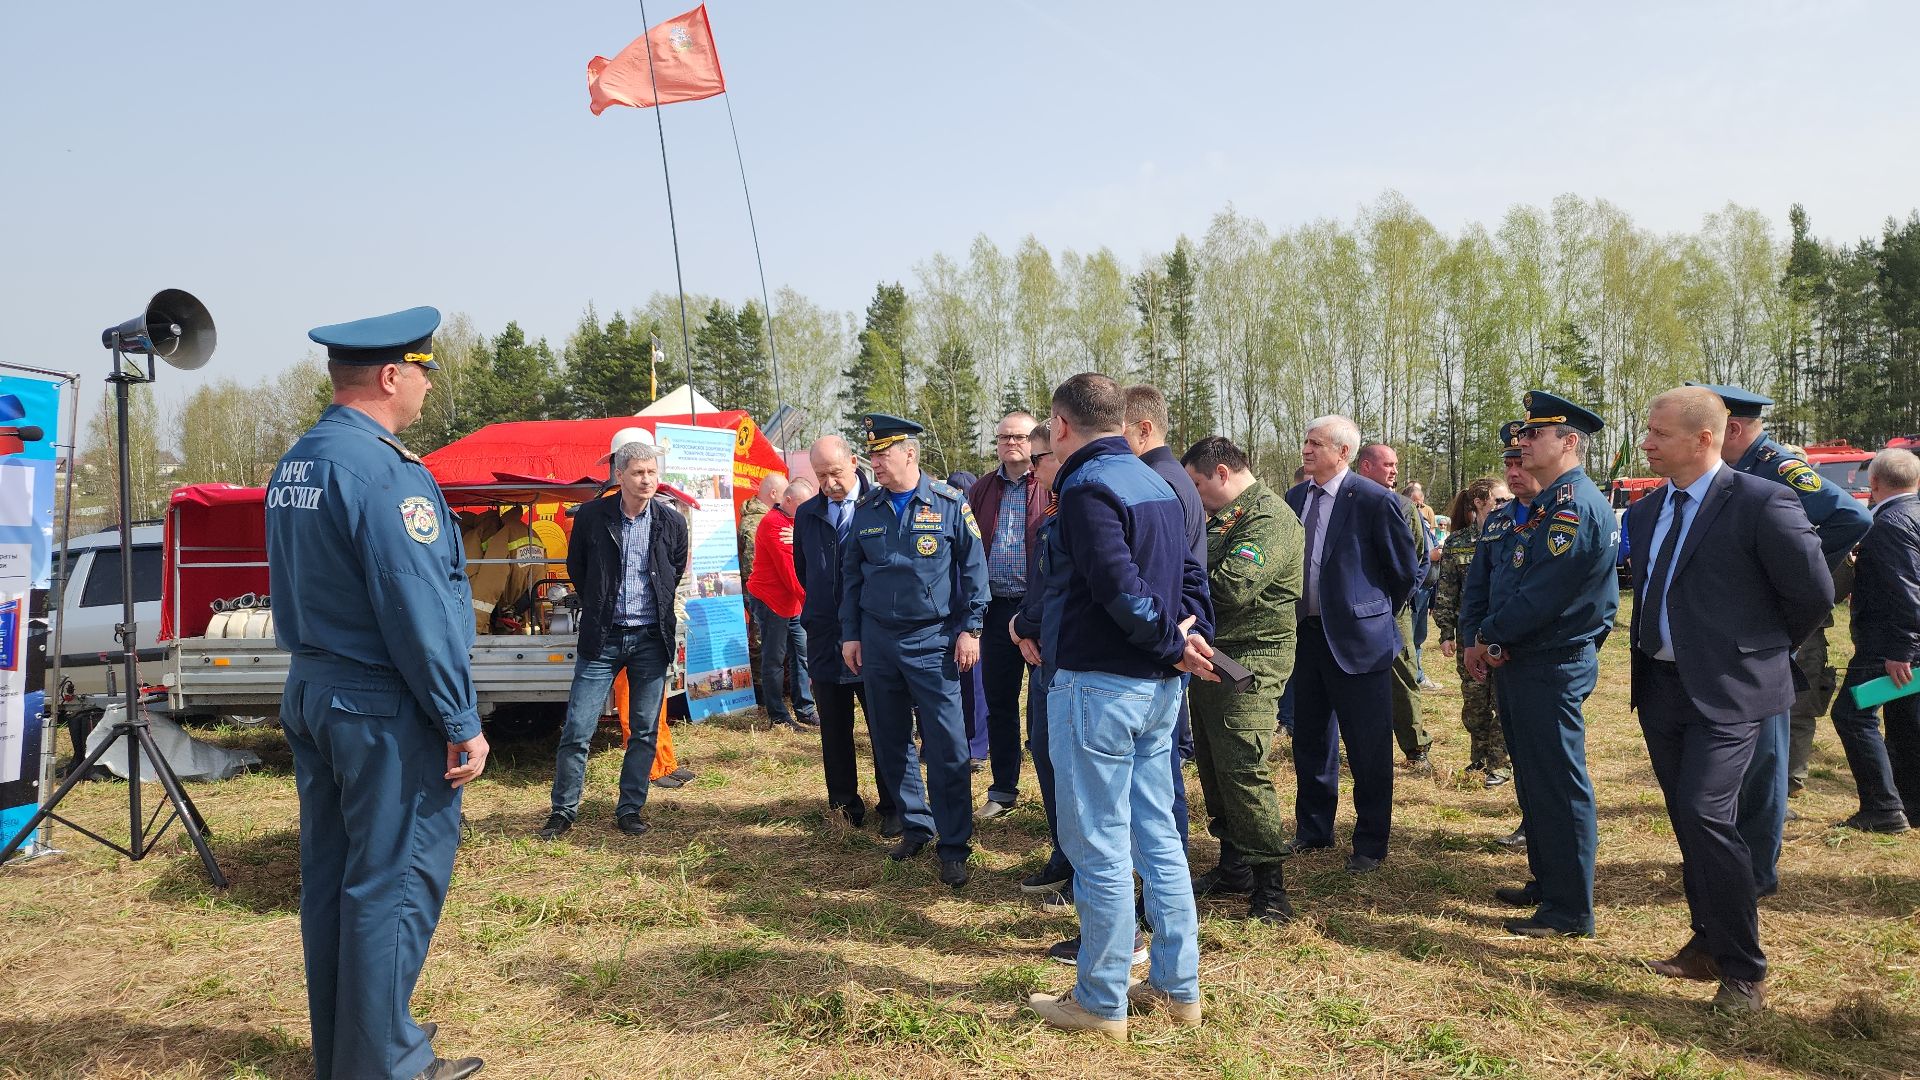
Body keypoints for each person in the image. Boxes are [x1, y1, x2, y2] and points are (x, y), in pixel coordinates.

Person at [267, 305, 487, 1080]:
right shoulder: (385, 472)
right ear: (391, 376)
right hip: (380, 704)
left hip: (317, 689)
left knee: (334, 880)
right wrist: (461, 718)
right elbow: (415, 609)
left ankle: (347, 1051)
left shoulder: (300, 459)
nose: (427, 387)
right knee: (393, 884)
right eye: (423, 371)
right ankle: (383, 1063)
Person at [1024, 373, 1216, 1041]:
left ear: (1061, 425)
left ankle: (1101, 999)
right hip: (1158, 687)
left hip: (1101, 687)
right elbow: (1193, 575)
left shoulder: (1085, 487)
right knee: (1156, 836)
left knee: (1098, 844)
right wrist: (1192, 640)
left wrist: (1172, 640)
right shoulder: (1159, 481)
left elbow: (1114, 584)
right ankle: (1175, 983)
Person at [1628, 387, 1831, 1013]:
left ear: (1704, 438)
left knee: (1708, 813)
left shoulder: (1763, 501)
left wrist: (1755, 653)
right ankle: (1707, 942)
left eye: (1659, 433)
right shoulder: (1646, 510)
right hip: (1662, 687)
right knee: (1690, 820)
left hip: (1732, 693)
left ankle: (1744, 969)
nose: (1646, 443)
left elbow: (1813, 594)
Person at [1464, 391, 1618, 938]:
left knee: (1557, 783)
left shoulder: (1573, 506)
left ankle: (1570, 909)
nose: (1523, 442)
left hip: (1552, 662)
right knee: (1534, 781)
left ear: (1568, 442)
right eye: (1523, 434)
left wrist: (1487, 636)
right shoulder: (1549, 503)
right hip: (1525, 661)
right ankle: (1549, 881)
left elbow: (1543, 594)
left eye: (1535, 434)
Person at [1692, 384, 1872, 805]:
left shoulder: (1778, 467)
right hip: (1740, 617)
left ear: (1731, 428)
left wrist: (1793, 570)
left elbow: (1851, 517)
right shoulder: (1734, 469)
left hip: (1778, 617)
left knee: (1779, 710)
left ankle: (1775, 797)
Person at [840, 414, 989, 888]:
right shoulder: (867, 509)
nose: (875, 463)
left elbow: (974, 571)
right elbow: (852, 578)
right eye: (872, 455)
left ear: (910, 454)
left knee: (947, 745)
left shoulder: (948, 504)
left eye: (882, 454)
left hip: (934, 640)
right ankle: (915, 824)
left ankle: (954, 843)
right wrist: (851, 633)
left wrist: (972, 628)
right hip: (879, 640)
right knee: (890, 738)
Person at [1285, 417, 1419, 874]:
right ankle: (1314, 828)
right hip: (1306, 636)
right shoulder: (1295, 497)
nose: (1306, 449)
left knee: (1368, 745)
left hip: (1360, 642)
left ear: (1342, 453)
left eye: (1316, 443)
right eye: (1305, 441)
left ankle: (1370, 841)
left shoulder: (1374, 499)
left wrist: (1369, 610)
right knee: (1311, 737)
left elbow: (1404, 571)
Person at [539, 438, 690, 841]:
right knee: (578, 728)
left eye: (652, 473)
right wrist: (601, 602)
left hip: (649, 639)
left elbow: (673, 569)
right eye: (638, 472)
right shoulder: (591, 516)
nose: (647, 480)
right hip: (602, 638)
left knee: (644, 730)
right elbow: (578, 567)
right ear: (619, 475)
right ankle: (563, 810)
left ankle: (630, 808)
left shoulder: (671, 521)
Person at [1181, 435, 1303, 923]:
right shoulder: (1225, 517)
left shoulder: (1268, 518)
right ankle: (1234, 864)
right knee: (1213, 764)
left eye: (1196, 484)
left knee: (1244, 769)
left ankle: (1270, 886)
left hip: (1250, 663)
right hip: (1214, 660)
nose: (1193, 495)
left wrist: (1176, 583)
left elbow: (1231, 586)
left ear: (1223, 473)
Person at [791, 436, 896, 831]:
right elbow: (805, 569)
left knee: (884, 725)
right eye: (821, 476)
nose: (830, 482)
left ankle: (893, 807)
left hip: (872, 635)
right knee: (834, 727)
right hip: (823, 634)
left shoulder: (880, 504)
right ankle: (844, 805)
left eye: (835, 472)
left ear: (854, 462)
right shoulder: (808, 514)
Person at [1123, 384, 1205, 850]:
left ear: (1144, 429)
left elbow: (1165, 573)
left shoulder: (1159, 482)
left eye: (1119, 433)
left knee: (1157, 770)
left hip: (1162, 642)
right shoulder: (1167, 476)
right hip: (1165, 637)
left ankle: (1162, 878)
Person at [1830, 448, 1920, 831]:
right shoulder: (1911, 515)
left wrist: (1901, 650)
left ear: (1875, 482)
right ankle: (1910, 804)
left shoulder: (1888, 524)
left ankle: (1883, 808)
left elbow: (1905, 591)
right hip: (1906, 644)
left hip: (1890, 648)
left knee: (1852, 714)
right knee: (1906, 720)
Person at [1458, 424, 1536, 849]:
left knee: (1535, 747)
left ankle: (1541, 826)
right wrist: (1473, 639)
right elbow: (1477, 589)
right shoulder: (1500, 522)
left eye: (1519, 460)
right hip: (1493, 646)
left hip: (1531, 652)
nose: (1514, 470)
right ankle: (1531, 821)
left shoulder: (1554, 517)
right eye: (1508, 463)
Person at [965, 412, 1046, 819]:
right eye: (1003, 437)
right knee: (999, 703)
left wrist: (1035, 616)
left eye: (1019, 436)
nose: (1010, 443)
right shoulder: (981, 490)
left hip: (1040, 613)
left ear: (1034, 440)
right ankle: (1002, 790)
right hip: (995, 610)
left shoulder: (1049, 485)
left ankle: (1054, 794)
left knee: (1046, 703)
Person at [1009, 421, 1073, 898]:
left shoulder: (1077, 509)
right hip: (1043, 652)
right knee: (1048, 757)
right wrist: (1022, 627)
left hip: (1066, 656)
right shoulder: (1052, 510)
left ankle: (1080, 868)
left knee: (1067, 764)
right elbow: (1039, 586)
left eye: (1038, 459)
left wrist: (1022, 627)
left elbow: (1066, 590)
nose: (1032, 469)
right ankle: (1064, 854)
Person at [1355, 443, 1434, 771]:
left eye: (1396, 465)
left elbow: (1420, 559)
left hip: (1393, 609)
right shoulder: (1347, 504)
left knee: (1402, 675)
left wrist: (1397, 600)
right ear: (1365, 467)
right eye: (1387, 464)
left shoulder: (1403, 506)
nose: (1394, 471)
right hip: (1351, 610)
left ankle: (1415, 747)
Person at [1432, 477, 1513, 786]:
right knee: (1475, 703)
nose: (1505, 506)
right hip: (1470, 636)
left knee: (1502, 702)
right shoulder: (1458, 541)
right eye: (1499, 500)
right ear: (1479, 503)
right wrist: (1446, 633)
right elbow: (1447, 591)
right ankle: (1478, 759)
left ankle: (1500, 764)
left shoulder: (1511, 536)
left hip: (1503, 634)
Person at [746, 478, 818, 731]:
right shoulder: (773, 524)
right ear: (787, 500)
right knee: (774, 658)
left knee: (802, 654)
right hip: (772, 600)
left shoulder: (795, 521)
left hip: (793, 602)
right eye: (802, 504)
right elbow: (790, 574)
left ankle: (805, 709)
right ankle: (778, 715)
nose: (807, 510)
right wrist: (813, 604)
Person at [739, 473, 788, 704]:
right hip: (761, 595)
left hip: (770, 596)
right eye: (785, 494)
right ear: (773, 494)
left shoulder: (767, 517)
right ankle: (761, 694)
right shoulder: (755, 522)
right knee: (761, 644)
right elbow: (752, 565)